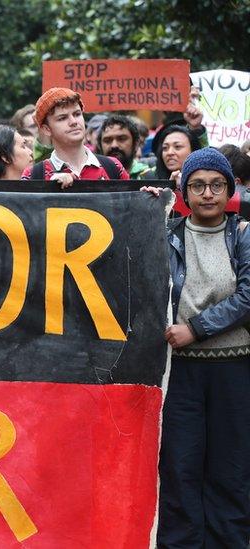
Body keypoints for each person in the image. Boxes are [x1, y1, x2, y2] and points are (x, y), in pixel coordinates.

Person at [143, 148, 250, 548]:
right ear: (184, 191)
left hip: (234, 369)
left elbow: (248, 295)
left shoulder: (244, 234)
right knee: (180, 466)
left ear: (230, 188)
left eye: (217, 185)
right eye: (198, 185)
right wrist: (143, 207)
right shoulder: (165, 234)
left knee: (231, 467)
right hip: (179, 373)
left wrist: (196, 328)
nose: (208, 194)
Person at [22, 87, 128, 185]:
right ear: (46, 129)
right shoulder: (33, 175)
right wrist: (50, 189)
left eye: (77, 114)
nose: (73, 122)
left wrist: (143, 196)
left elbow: (129, 202)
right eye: (62, 118)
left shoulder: (113, 166)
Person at [98, 114, 151, 179]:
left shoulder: (147, 176)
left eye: (121, 139)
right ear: (100, 145)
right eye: (107, 140)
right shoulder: (93, 176)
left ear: (136, 144)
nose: (114, 145)